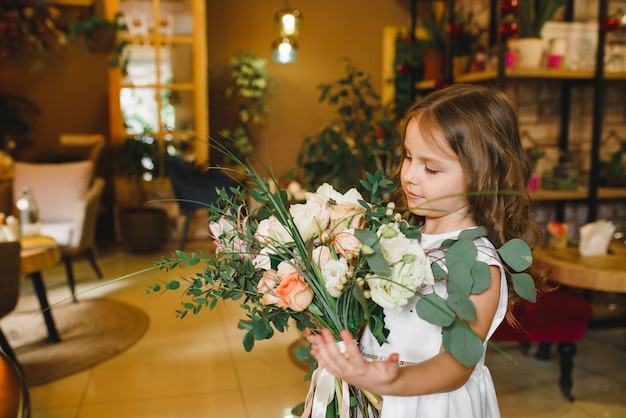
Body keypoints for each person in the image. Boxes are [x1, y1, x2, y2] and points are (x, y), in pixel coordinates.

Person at [309, 83, 551, 417]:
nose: (409, 176)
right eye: (408, 156)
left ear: (481, 173)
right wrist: (336, 327)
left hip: (429, 404)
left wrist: (389, 382)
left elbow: (454, 367)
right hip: (372, 393)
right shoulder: (398, 234)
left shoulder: (478, 265)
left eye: (431, 168)